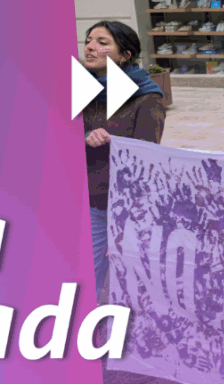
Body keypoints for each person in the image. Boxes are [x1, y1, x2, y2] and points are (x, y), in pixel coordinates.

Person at [82, 21, 166, 302]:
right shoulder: (78, 89)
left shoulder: (147, 98)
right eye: (89, 40)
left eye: (103, 42)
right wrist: (84, 136)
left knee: (126, 281)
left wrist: (123, 218)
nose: (90, 47)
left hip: (113, 204)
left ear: (124, 55)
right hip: (76, 195)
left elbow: (145, 159)